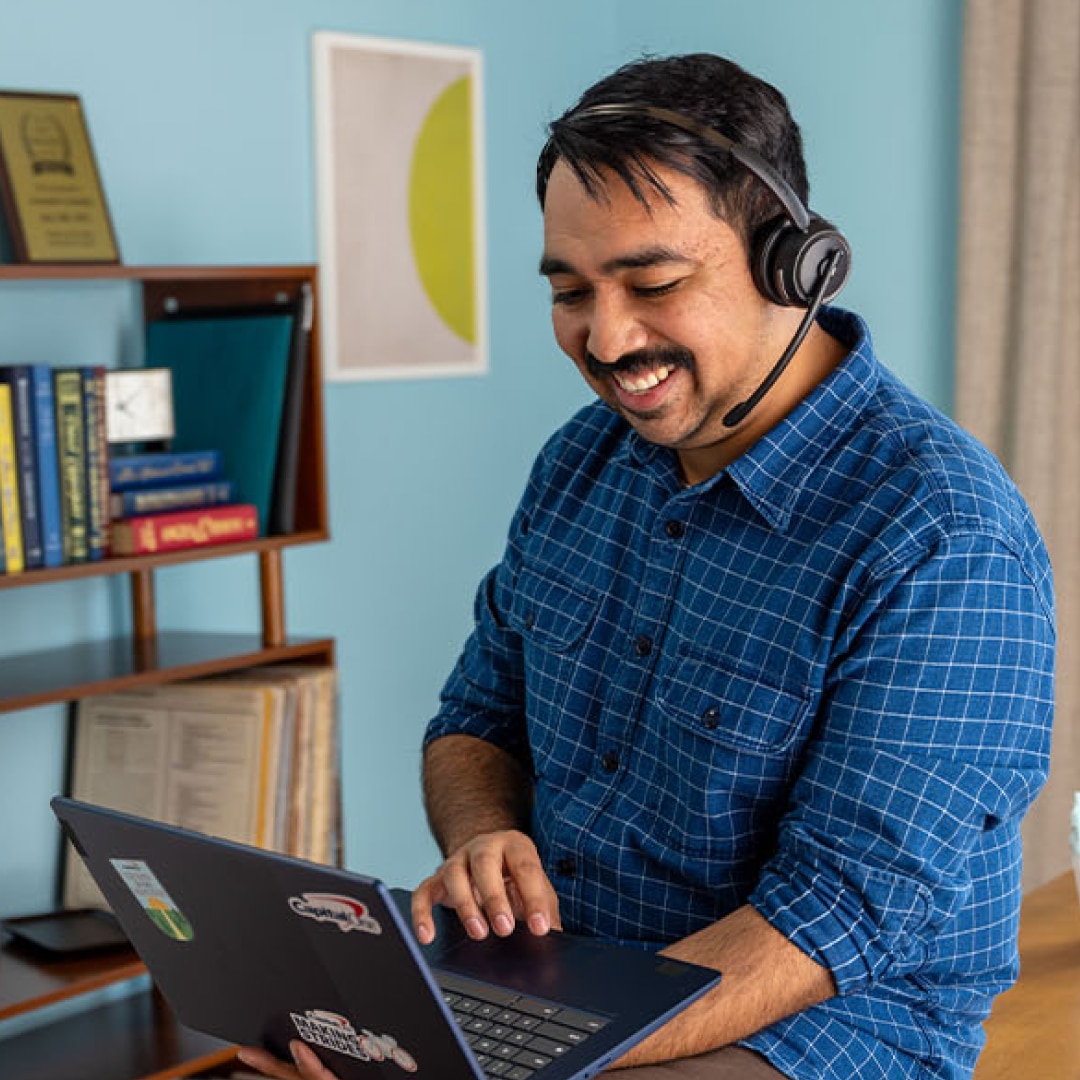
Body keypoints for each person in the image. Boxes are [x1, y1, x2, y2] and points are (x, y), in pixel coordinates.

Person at [241, 52, 1055, 1080]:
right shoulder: (583, 463)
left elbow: (832, 921)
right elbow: (474, 720)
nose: (606, 335)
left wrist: (506, 1061)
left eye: (655, 283)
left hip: (817, 1028)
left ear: (792, 265)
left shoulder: (941, 535)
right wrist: (485, 835)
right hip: (566, 985)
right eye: (571, 290)